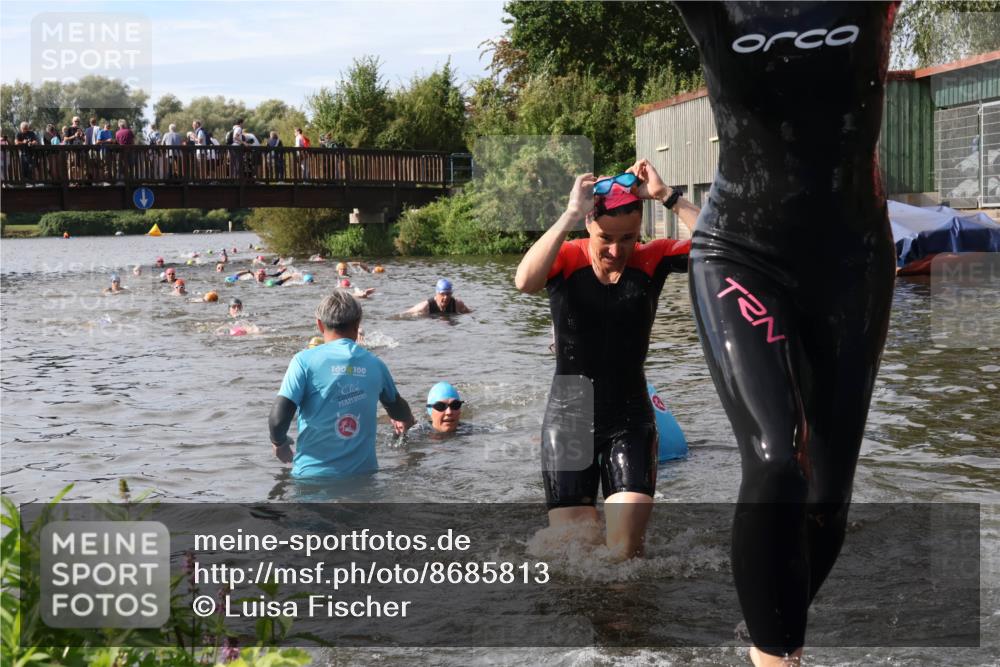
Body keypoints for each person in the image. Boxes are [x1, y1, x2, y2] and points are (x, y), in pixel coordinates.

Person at [674, 3, 899, 665]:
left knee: (827, 501)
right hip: (739, 250)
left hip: (853, 261)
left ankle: (763, 640)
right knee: (778, 456)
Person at [513, 160, 697, 561]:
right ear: (588, 227)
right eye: (606, 239)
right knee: (575, 551)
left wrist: (668, 196)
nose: (617, 251)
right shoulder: (566, 257)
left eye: (628, 238)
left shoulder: (653, 258)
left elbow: (722, 247)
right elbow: (524, 281)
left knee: (624, 554)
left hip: (630, 413)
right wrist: (569, 215)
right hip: (570, 412)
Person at [268, 291, 416, 478]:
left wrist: (279, 443)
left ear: (319, 324)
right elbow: (397, 409)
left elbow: (277, 419)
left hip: (311, 477)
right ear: (358, 324)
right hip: (363, 477)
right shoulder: (375, 364)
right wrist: (407, 419)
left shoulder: (303, 361)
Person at [404, 279, 472, 316]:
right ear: (437, 293)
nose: (446, 297)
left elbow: (470, 314)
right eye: (442, 294)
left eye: (448, 294)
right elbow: (403, 315)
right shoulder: (424, 307)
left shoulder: (458, 304)